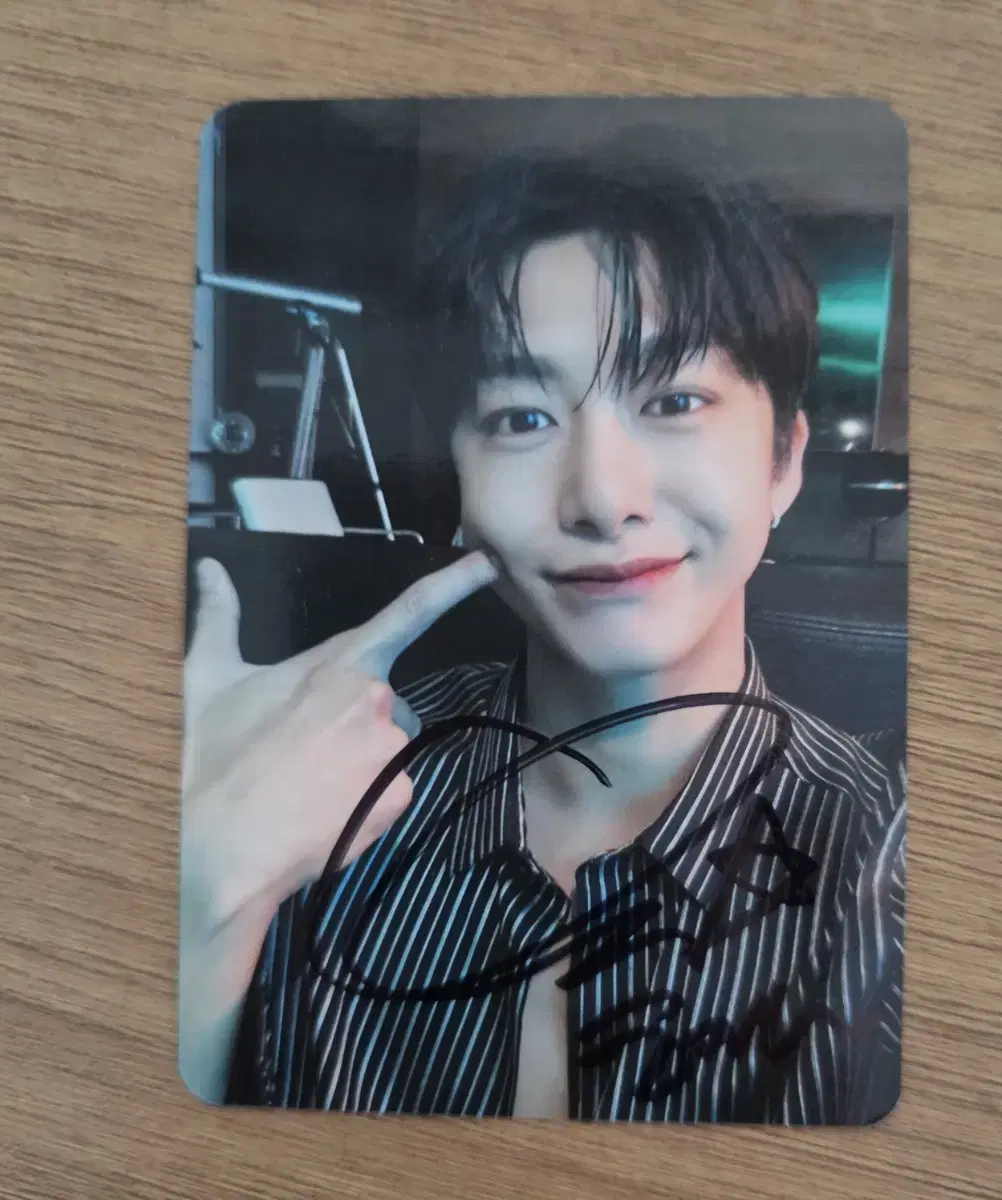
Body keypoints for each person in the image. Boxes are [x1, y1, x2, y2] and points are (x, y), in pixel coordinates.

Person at [179, 144, 906, 1124]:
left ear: (785, 461)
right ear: (458, 479)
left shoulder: (891, 861)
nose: (602, 498)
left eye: (675, 401)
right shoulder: (310, 776)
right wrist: (204, 889)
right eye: (521, 418)